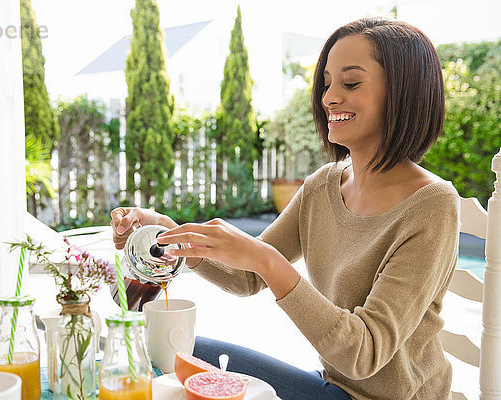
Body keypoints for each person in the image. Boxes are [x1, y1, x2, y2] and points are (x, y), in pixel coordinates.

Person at [110, 17, 459, 400]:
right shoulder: (324, 186)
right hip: (328, 387)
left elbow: (365, 353)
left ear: (404, 94)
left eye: (351, 83)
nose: (329, 98)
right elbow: (245, 277)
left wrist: (268, 260)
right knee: (161, 347)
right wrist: (168, 232)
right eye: (326, 83)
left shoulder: (432, 205)